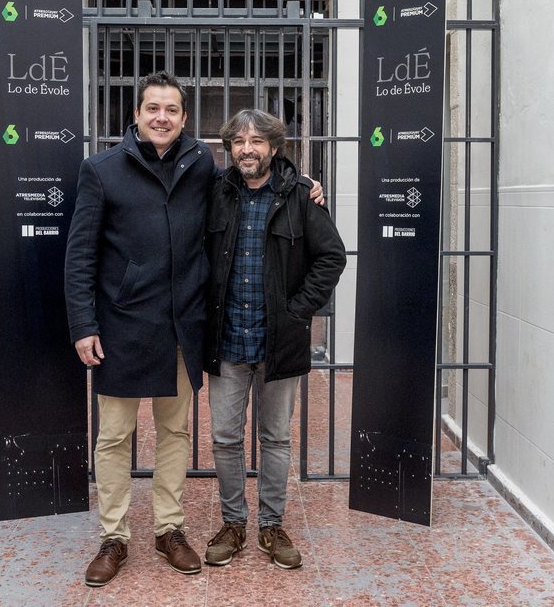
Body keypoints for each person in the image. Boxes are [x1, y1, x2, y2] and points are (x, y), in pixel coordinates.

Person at [64, 71, 211, 587]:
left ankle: (169, 530)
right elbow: (79, 254)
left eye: (172, 109)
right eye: (153, 108)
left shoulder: (202, 163)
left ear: (184, 117)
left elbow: (247, 185)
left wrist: (301, 183)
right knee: (115, 436)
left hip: (180, 325)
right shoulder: (101, 169)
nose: (162, 117)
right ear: (136, 114)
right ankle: (114, 536)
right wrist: (84, 323)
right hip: (121, 325)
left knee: (176, 432)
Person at [202, 109, 346, 570]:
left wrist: (296, 310)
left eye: (257, 141)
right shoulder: (217, 194)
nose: (247, 149)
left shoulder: (301, 195)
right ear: (230, 148)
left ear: (274, 148)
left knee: (276, 438)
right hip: (227, 342)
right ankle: (232, 523)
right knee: (226, 439)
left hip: (278, 342)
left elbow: (332, 258)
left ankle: (270, 524)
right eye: (239, 141)